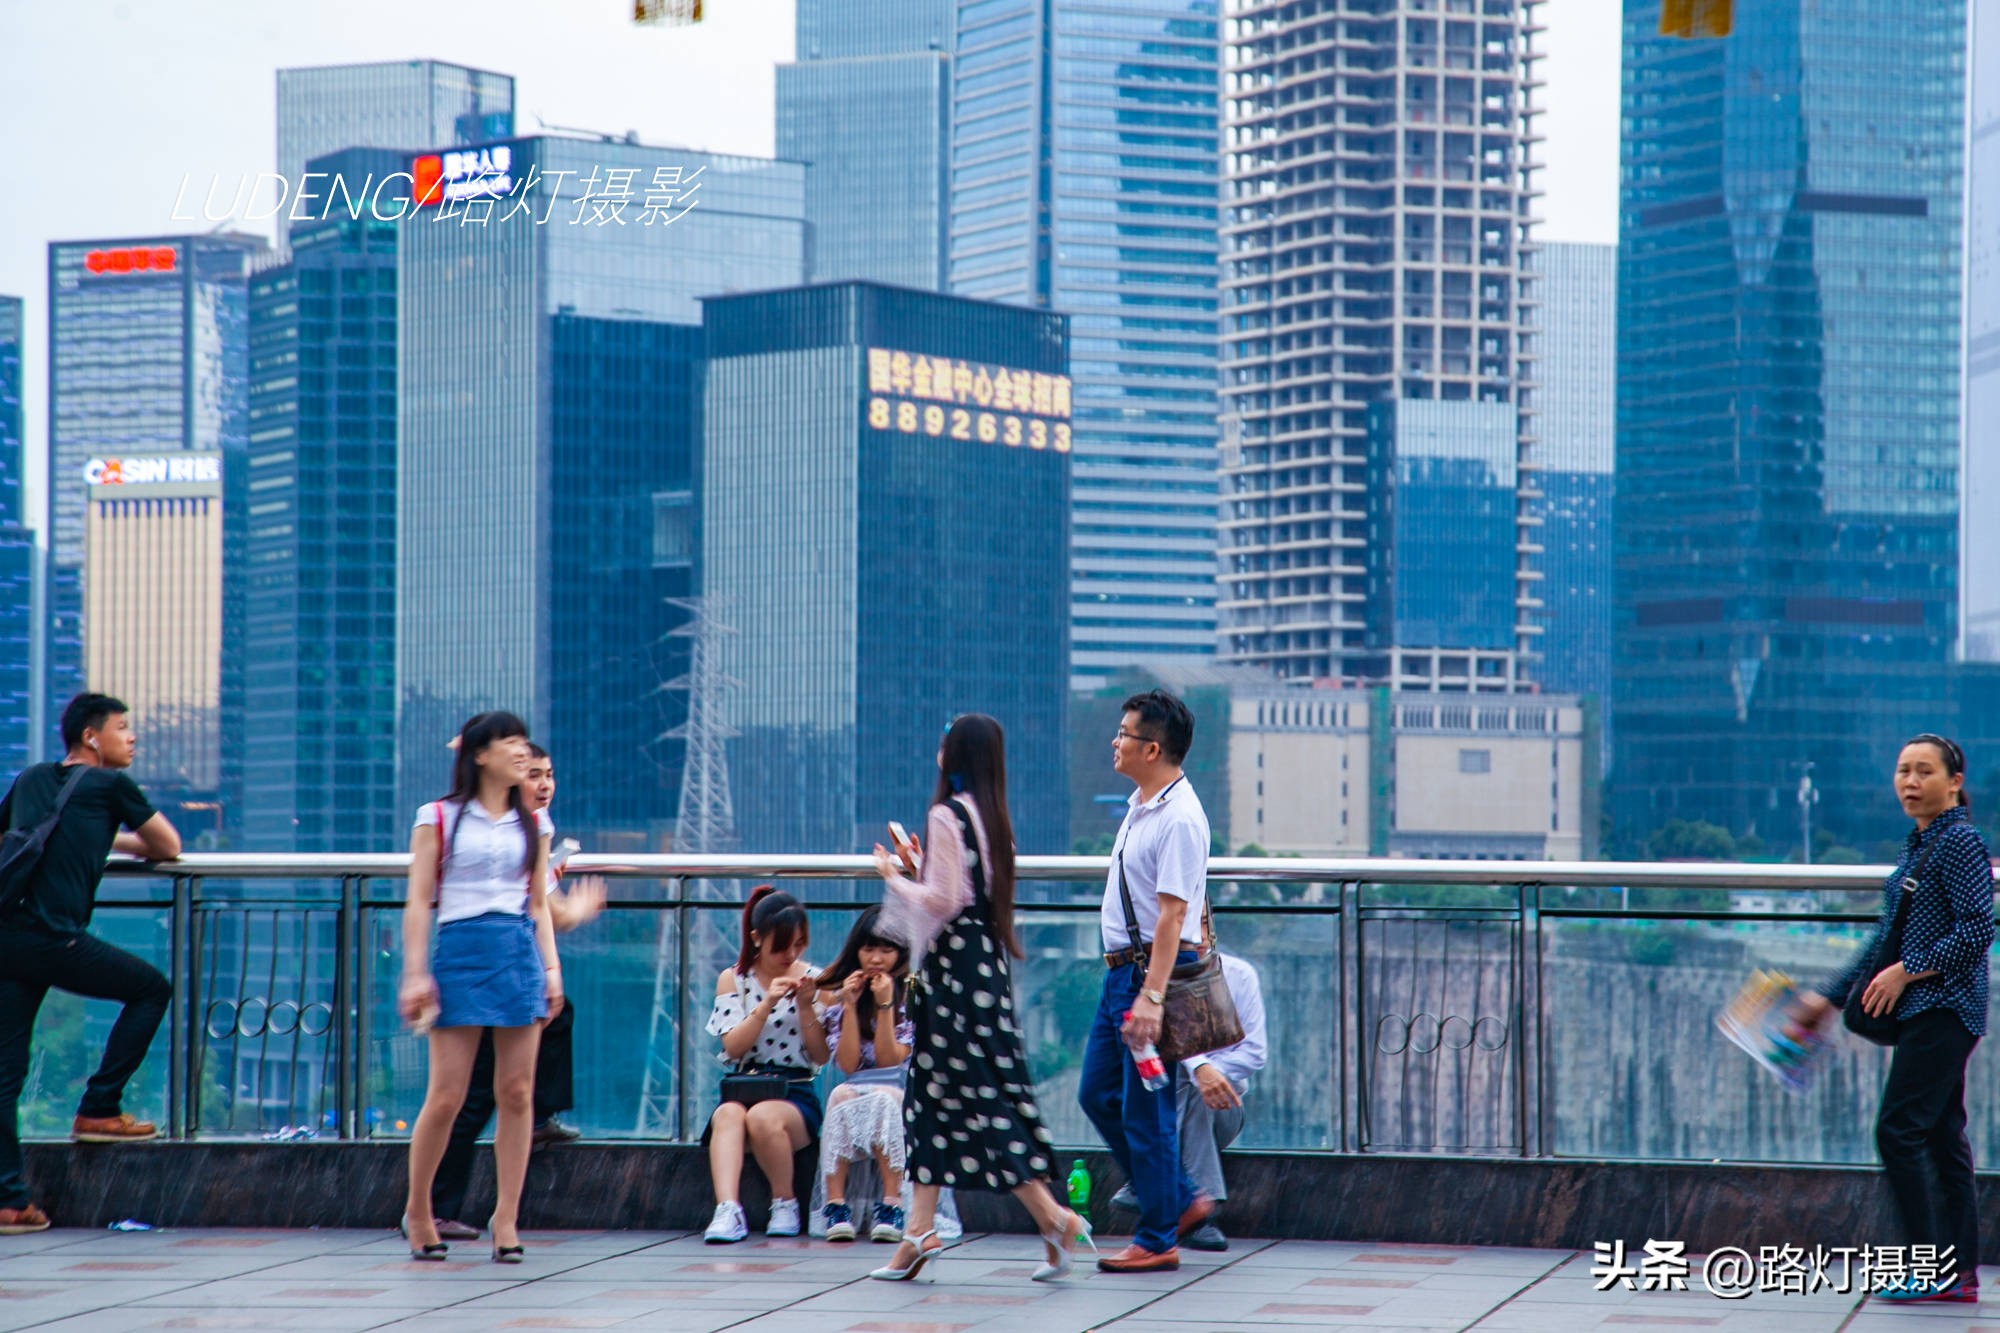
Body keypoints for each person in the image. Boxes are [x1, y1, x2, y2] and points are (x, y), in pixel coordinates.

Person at [869, 713, 1091, 1284]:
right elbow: (967, 891)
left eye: (944, 744)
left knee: (970, 1100)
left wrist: (892, 877)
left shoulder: (947, 813)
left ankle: (1052, 1218)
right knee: (939, 1097)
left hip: (951, 976)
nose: (938, 752)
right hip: (983, 968)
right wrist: (922, 867)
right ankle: (920, 1232)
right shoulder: (993, 817)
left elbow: (942, 900)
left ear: (958, 753)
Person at [1792, 734, 1994, 1304]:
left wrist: (1911, 971)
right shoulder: (1921, 844)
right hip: (1928, 1011)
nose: (1910, 781)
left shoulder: (1958, 843)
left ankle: (1933, 1269)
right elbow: (1885, 940)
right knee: (1940, 1136)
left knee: (1898, 1130)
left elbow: (1980, 928)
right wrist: (1829, 999)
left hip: (1945, 1009)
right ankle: (1957, 1273)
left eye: (1924, 771)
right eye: (1903, 771)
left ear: (1954, 782)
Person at [0, 693, 182, 1235]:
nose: (132, 739)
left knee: (5, 1073)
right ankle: (100, 1107)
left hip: (7, 935)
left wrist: (99, 837)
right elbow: (167, 846)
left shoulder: (32, 777)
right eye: (123, 728)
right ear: (91, 737)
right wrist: (117, 838)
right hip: (55, 937)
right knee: (150, 988)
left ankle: (10, 1202)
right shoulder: (111, 786)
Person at [398, 711, 562, 1264]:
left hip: (516, 951)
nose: (521, 751)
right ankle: (419, 1210)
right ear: (480, 754)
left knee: (516, 1092)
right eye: (509, 742)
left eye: (522, 740)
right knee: (446, 1095)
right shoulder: (439, 817)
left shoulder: (534, 824)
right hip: (461, 950)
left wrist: (552, 969)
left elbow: (538, 901)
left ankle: (507, 1217)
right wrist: (417, 973)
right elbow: (419, 900)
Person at [429, 742, 605, 1238]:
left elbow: (541, 906)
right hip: (482, 970)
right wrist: (581, 906)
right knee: (466, 1095)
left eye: (550, 774)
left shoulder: (532, 831)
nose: (544, 784)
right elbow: (545, 909)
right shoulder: (478, 826)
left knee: (493, 1085)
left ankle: (452, 1204)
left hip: (516, 973)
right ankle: (431, 1209)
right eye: (533, 775)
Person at [1081, 689, 1212, 1273]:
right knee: (1096, 1093)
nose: (1116, 741)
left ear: (1152, 747)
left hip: (1148, 977)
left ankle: (1159, 1237)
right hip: (1122, 976)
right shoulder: (1142, 805)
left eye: (1125, 734)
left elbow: (1173, 915)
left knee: (1148, 1109)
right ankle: (1179, 1200)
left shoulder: (1180, 818)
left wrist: (1153, 998)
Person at [1108, 924, 1266, 1252]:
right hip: (1167, 1102)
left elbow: (1255, 1052)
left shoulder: (1239, 975)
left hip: (1222, 1106)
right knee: (1168, 1087)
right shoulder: (1156, 983)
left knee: (1198, 1093)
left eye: (1199, 926)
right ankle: (1189, 1208)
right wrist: (1199, 1067)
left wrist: (1209, 1073)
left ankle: (1161, 1192)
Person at [703, 885, 829, 1243]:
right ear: (757, 939)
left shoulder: (815, 980)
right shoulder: (734, 979)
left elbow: (821, 1056)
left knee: (763, 1116)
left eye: (799, 944)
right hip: (747, 1083)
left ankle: (785, 1202)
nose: (790, 954)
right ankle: (727, 1208)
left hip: (795, 1091)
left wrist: (806, 1005)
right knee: (726, 1115)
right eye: (781, 946)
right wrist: (766, 1005)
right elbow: (733, 1045)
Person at [811, 905, 912, 1243]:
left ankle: (892, 1204)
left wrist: (884, 1005)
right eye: (869, 949)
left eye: (886, 949)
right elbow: (849, 1066)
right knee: (840, 1095)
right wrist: (851, 1006)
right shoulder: (841, 991)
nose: (876, 959)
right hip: (856, 1086)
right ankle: (836, 1205)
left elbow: (888, 1060)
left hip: (899, 1087)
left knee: (884, 1100)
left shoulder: (911, 992)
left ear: (901, 953)